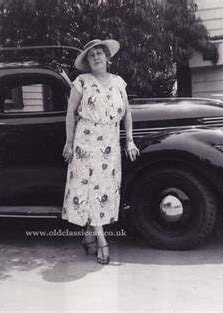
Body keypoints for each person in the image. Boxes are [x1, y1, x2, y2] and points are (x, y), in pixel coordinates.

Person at [61, 39, 139, 265]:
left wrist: (130, 141)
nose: (96, 57)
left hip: (110, 144)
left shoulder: (118, 82)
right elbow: (70, 114)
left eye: (99, 53)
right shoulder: (81, 82)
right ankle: (102, 241)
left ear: (107, 57)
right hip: (86, 142)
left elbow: (127, 114)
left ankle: (88, 236)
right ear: (87, 61)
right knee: (90, 190)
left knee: (104, 189)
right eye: (91, 55)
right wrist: (68, 142)